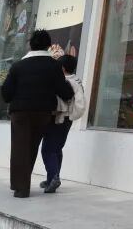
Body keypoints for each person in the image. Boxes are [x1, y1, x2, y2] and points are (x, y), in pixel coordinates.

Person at [0, 29, 74, 198]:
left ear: (30, 45)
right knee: (32, 147)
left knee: (19, 148)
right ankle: (22, 184)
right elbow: (65, 92)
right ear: (48, 46)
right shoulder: (54, 66)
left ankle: (20, 187)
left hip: (19, 113)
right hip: (42, 114)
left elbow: (6, 93)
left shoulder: (18, 66)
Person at [40, 54, 85, 194]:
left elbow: (78, 103)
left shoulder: (67, 81)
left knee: (48, 149)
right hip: (65, 120)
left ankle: (53, 177)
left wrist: (69, 115)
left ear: (63, 68)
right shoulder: (76, 80)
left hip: (59, 119)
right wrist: (72, 116)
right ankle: (52, 177)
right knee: (56, 149)